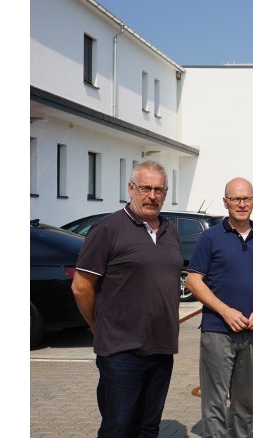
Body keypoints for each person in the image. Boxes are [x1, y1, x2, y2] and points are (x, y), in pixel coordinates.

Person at [71, 160, 183, 438]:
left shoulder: (171, 230)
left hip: (162, 347)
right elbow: (81, 287)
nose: (152, 195)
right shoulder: (108, 229)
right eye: (145, 188)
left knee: (148, 428)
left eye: (159, 189)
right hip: (121, 351)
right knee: (118, 428)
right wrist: (98, 326)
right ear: (131, 188)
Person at [187, 177, 253, 438]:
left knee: (243, 399)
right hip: (217, 331)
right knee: (215, 400)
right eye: (236, 199)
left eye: (247, 199)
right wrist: (225, 311)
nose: (242, 204)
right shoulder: (210, 238)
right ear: (225, 202)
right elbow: (194, 280)